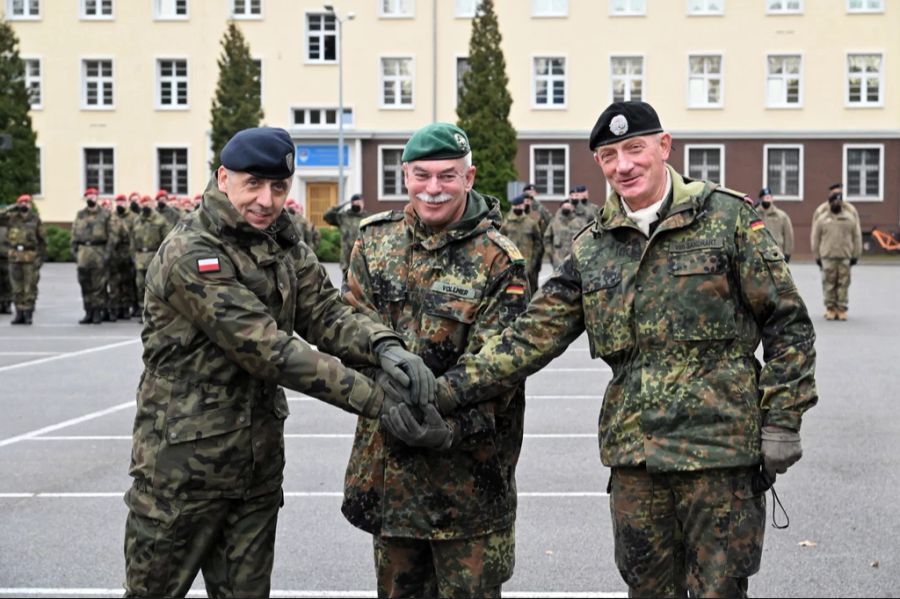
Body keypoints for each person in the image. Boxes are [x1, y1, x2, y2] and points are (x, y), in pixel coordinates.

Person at [431, 101, 818, 597]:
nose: (624, 165)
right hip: (637, 463)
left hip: (721, 460)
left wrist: (783, 418)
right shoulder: (593, 247)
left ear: (664, 146)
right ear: (599, 164)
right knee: (647, 590)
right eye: (610, 155)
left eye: (635, 149)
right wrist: (446, 390)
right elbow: (529, 337)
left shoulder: (728, 220)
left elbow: (788, 323)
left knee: (719, 591)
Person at [123, 126, 433, 599]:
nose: (267, 200)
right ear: (223, 178)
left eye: (279, 186)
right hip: (182, 472)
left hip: (255, 469)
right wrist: (378, 401)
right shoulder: (194, 252)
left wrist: (384, 346)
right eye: (254, 184)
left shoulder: (282, 242)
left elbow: (326, 314)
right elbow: (268, 350)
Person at [340, 122, 530, 599]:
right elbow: (349, 330)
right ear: (405, 175)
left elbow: (499, 366)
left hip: (468, 486)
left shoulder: (499, 261)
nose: (433, 188)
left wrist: (448, 426)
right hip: (391, 477)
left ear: (469, 178)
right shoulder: (374, 242)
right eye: (421, 175)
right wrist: (383, 389)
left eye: (447, 176)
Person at [810, 190, 862, 321]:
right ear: (830, 203)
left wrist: (856, 255)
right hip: (827, 256)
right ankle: (830, 308)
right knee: (828, 283)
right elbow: (815, 239)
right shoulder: (822, 219)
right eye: (834, 201)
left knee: (843, 283)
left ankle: (842, 308)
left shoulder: (849, 218)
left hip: (845, 256)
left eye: (839, 201)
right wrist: (817, 256)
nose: (837, 203)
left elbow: (857, 237)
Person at [0, 195, 45, 325]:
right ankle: (19, 313)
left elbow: (42, 241)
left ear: (31, 205)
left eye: (27, 202)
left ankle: (28, 313)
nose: (25, 205)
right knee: (16, 287)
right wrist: (12, 207)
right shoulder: (12, 218)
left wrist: (40, 258)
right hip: (15, 256)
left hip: (30, 257)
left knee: (29, 287)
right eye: (22, 202)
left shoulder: (35, 220)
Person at [71, 187, 112, 325]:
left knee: (98, 284)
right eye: (88, 196)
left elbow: (112, 236)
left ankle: (97, 312)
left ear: (97, 197)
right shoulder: (80, 215)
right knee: (85, 283)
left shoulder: (105, 214)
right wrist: (75, 252)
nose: (91, 198)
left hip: (98, 251)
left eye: (93, 196)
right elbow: (74, 234)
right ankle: (88, 311)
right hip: (83, 252)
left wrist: (107, 253)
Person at [130, 195, 171, 322]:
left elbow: (166, 240)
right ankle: (144, 312)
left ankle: (154, 313)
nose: (146, 205)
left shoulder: (160, 220)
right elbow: (132, 240)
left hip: (154, 257)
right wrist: (133, 256)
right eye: (144, 203)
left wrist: (162, 259)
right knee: (140, 285)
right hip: (140, 257)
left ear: (153, 204)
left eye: (148, 203)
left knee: (154, 288)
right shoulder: (137, 220)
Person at [500, 192, 544, 292]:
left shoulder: (531, 223)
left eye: (520, 205)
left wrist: (534, 260)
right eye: (516, 206)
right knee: (512, 289)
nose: (518, 208)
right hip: (511, 261)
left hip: (528, 262)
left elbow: (538, 242)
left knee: (529, 289)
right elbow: (500, 240)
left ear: (524, 206)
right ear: (513, 206)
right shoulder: (506, 223)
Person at [323, 192, 369, 277]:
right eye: (355, 202)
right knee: (347, 287)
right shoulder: (344, 216)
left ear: (363, 204)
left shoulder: (368, 218)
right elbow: (326, 216)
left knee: (362, 288)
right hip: (346, 260)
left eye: (359, 202)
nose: (358, 204)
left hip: (363, 260)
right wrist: (343, 204)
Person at [107, 194, 137, 321]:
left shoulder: (133, 217)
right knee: (114, 283)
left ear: (126, 203)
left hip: (127, 252)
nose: (120, 204)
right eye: (118, 202)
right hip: (114, 254)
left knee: (127, 283)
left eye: (122, 202)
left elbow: (135, 235)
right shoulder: (111, 217)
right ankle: (115, 308)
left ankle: (125, 308)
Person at [542, 198, 583, 270]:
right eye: (564, 207)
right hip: (558, 259)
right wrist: (551, 253)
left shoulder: (580, 222)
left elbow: (584, 238)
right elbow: (547, 238)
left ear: (573, 208)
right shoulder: (554, 222)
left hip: (575, 259)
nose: (566, 208)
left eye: (568, 207)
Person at [757, 187, 794, 262]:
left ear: (772, 199)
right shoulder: (755, 215)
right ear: (761, 199)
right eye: (765, 197)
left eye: (769, 197)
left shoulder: (781, 216)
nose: (767, 199)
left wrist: (787, 253)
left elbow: (788, 235)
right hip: (758, 255)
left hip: (777, 254)